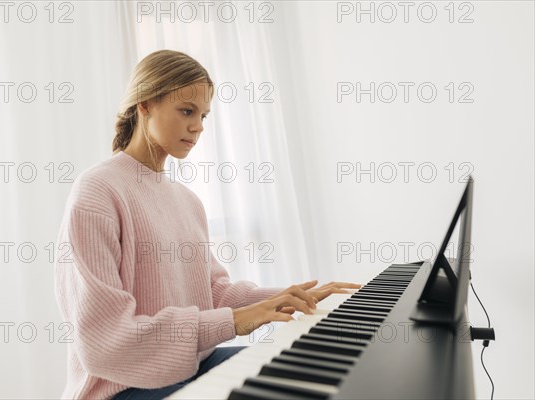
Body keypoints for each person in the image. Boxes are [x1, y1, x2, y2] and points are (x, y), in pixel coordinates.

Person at [54, 49, 361, 400]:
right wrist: (234, 320)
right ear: (145, 104)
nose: (198, 126)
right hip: (120, 387)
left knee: (306, 371)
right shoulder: (97, 191)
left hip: (194, 363)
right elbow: (105, 340)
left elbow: (211, 293)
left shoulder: (187, 200)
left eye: (203, 115)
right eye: (187, 111)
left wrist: (285, 297)